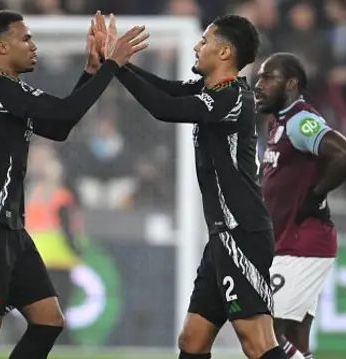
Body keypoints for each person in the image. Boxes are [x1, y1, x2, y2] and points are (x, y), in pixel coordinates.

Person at [0, 10, 148, 359]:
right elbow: (63, 116)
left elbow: (59, 127)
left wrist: (92, 72)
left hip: (9, 226)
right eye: (26, 38)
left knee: (48, 320)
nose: (33, 46)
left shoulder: (10, 91)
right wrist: (112, 65)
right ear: (2, 46)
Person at [90, 13, 286, 359]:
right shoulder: (213, 91)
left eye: (205, 40)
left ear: (225, 53)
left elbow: (164, 108)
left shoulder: (233, 99)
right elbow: (167, 90)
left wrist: (118, 66)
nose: (197, 46)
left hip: (242, 233)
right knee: (192, 341)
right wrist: (114, 61)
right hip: (222, 236)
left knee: (256, 342)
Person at [255, 52, 346, 359]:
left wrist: (315, 196)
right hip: (289, 243)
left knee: (262, 328)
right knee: (295, 337)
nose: (258, 85)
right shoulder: (279, 121)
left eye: (268, 78)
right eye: (259, 77)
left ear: (291, 84)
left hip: (302, 245)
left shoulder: (300, 121)